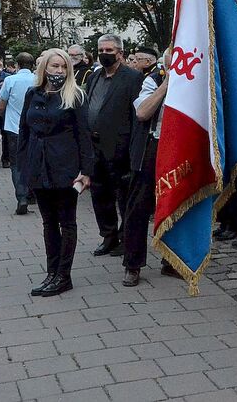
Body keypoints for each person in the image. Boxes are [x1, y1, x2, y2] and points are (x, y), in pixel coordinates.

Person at [18, 48, 93, 297]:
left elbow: (84, 136)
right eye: (54, 66)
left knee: (66, 222)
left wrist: (86, 171)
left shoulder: (75, 96)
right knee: (48, 222)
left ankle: (64, 275)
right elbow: (24, 132)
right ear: (44, 69)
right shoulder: (33, 93)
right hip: (38, 165)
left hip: (65, 167)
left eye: (63, 67)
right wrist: (24, 167)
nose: (59, 71)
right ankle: (52, 273)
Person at [84, 34, 143, 257]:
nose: (104, 54)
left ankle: (126, 238)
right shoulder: (94, 77)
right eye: (101, 50)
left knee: (124, 197)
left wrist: (133, 149)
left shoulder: (132, 77)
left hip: (120, 147)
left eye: (109, 50)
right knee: (99, 195)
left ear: (120, 53)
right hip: (95, 147)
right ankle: (108, 236)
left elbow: (136, 114)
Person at [122, 49, 170, 286]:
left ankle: (173, 259)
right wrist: (167, 84)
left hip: (180, 149)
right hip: (152, 147)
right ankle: (133, 264)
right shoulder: (153, 80)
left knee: (176, 205)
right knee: (138, 208)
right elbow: (142, 112)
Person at [0, 53, 36, 215]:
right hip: (34, 127)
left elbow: (2, 103)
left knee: (17, 164)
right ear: (32, 65)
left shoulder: (10, 81)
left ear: (17, 65)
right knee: (33, 161)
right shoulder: (38, 80)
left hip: (14, 128)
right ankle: (33, 194)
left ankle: (22, 197)